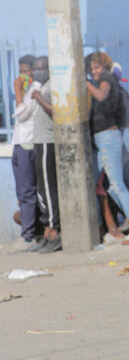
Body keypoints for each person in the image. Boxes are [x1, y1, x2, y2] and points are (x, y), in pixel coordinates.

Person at [87, 51, 129, 244]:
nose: (94, 71)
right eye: (91, 68)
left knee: (117, 185)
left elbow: (101, 96)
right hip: (101, 138)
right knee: (109, 188)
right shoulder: (97, 82)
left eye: (97, 67)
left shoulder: (107, 79)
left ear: (104, 67)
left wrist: (84, 83)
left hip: (108, 137)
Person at [26, 56, 61, 253]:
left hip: (48, 142)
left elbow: (55, 111)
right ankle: (47, 230)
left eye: (40, 68)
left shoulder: (51, 87)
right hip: (38, 142)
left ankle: (54, 230)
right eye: (35, 68)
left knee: (48, 188)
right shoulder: (42, 86)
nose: (37, 71)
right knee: (41, 189)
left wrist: (38, 97)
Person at [9, 54, 40, 253]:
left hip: (29, 143)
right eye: (21, 72)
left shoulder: (35, 90)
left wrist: (18, 91)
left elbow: (23, 113)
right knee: (21, 192)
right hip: (18, 143)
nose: (23, 76)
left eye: (26, 71)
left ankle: (28, 236)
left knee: (28, 191)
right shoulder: (27, 89)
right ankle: (31, 232)